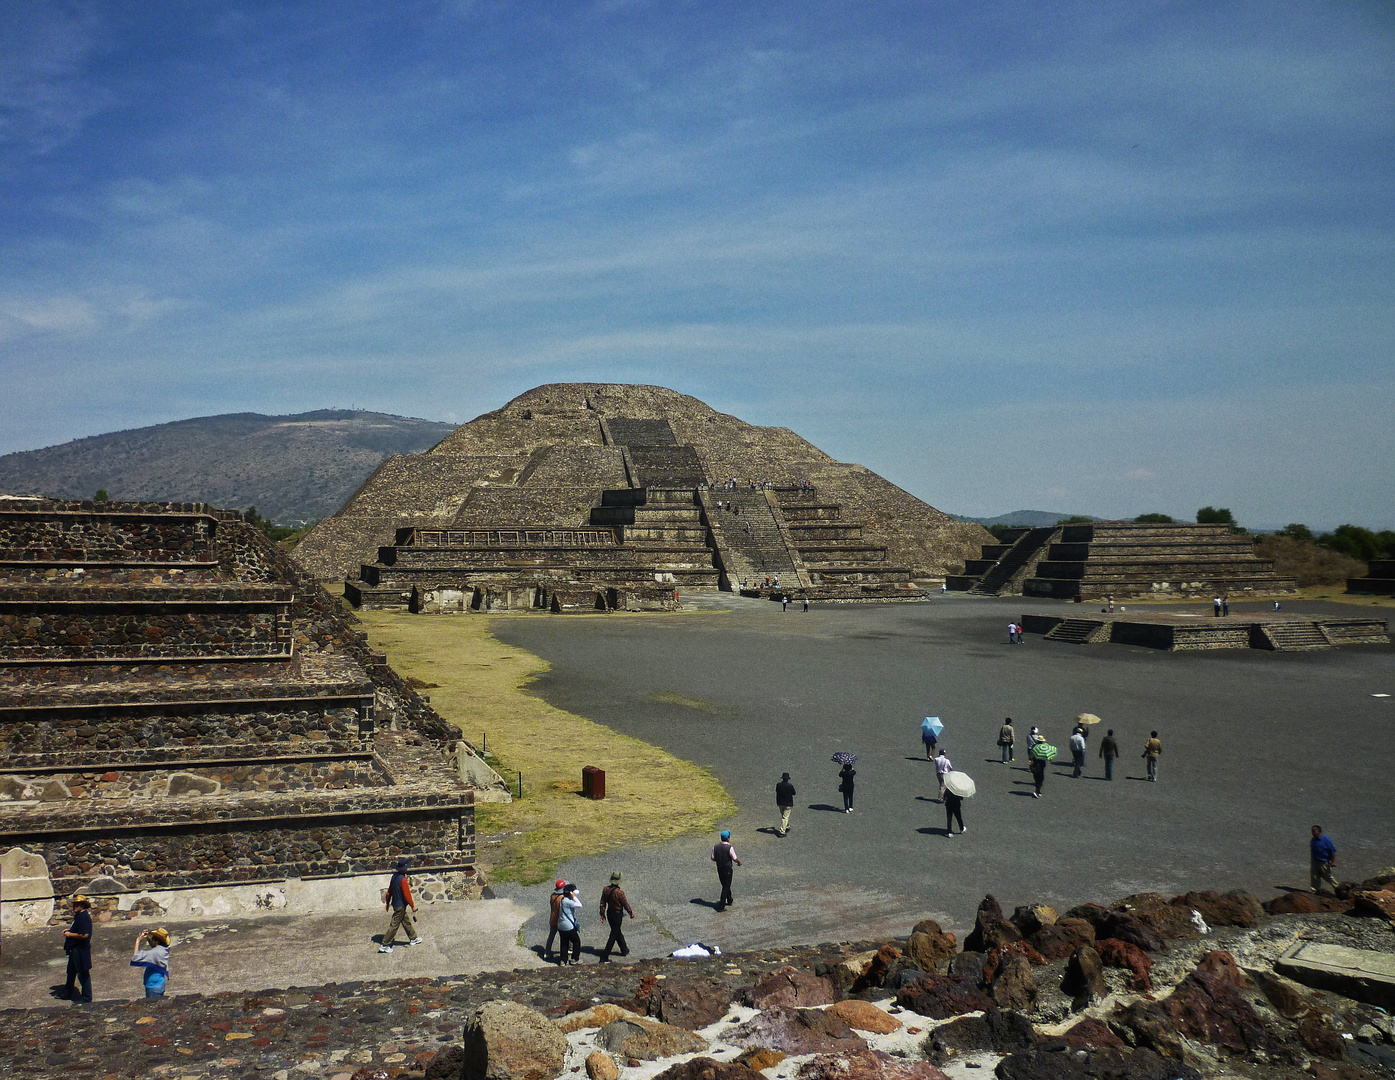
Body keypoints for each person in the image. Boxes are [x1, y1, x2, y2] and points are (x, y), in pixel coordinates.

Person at [378, 858, 423, 953]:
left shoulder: (394, 877)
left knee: (406, 921)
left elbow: (389, 892)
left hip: (395, 904)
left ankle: (413, 938)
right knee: (394, 925)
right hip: (401, 906)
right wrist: (412, 906)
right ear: (404, 869)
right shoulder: (403, 880)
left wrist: (387, 904)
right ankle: (385, 944)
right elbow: (407, 894)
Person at [62, 895, 93, 1003]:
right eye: (74, 904)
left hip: (80, 949)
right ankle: (67, 992)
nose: (75, 907)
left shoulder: (83, 917)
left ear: (82, 905)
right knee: (71, 972)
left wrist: (70, 935)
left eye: (77, 905)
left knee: (83, 973)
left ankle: (87, 997)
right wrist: (70, 930)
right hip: (74, 949)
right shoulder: (78, 916)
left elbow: (85, 935)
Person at [597, 872, 634, 962]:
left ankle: (624, 949)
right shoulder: (620, 892)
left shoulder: (605, 889)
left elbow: (602, 902)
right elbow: (625, 904)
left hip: (610, 913)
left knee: (617, 931)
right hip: (617, 914)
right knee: (614, 934)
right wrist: (630, 913)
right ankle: (604, 956)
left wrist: (602, 914)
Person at [131, 927, 171, 998]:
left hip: (153, 987)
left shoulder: (155, 952)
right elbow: (154, 946)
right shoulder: (164, 950)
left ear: (157, 941)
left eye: (153, 939)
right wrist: (148, 937)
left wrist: (138, 940)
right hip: (160, 983)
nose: (152, 940)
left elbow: (136, 957)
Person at [712, 830, 741, 910]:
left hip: (719, 868)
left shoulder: (715, 847)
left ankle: (729, 899)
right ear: (728, 838)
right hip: (727, 868)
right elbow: (734, 858)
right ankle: (722, 905)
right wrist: (739, 862)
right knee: (726, 886)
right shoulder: (729, 847)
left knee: (725, 884)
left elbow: (713, 858)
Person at [556, 883, 582, 964]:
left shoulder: (563, 900)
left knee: (564, 943)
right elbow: (579, 905)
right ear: (570, 893)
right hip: (569, 926)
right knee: (576, 941)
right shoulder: (568, 902)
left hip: (561, 925)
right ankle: (575, 959)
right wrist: (574, 897)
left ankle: (563, 960)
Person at [1310, 826, 1338, 894]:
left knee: (1327, 876)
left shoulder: (1326, 840)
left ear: (1319, 832)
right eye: (1312, 831)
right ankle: (1315, 891)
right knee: (1314, 876)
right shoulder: (1313, 840)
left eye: (1314, 831)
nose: (1313, 833)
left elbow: (1333, 851)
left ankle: (1337, 888)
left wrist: (1333, 861)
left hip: (1324, 862)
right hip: (1315, 861)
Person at [544, 878, 567, 959]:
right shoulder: (562, 898)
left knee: (551, 936)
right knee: (566, 935)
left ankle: (547, 952)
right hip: (560, 920)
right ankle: (568, 950)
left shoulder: (552, 896)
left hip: (553, 919)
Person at [775, 772, 796, 837]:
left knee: (784, 816)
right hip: (788, 803)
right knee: (785, 817)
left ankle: (787, 826)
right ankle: (782, 831)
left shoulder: (778, 785)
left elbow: (776, 790)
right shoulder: (790, 786)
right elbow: (794, 793)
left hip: (780, 802)